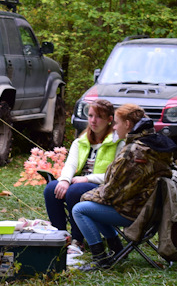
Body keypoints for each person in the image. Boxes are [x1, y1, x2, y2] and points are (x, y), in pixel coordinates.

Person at [71, 104, 176, 269]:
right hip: (151, 210)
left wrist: (88, 195)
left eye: (117, 123)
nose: (114, 127)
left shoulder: (133, 152)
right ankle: (117, 248)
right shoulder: (154, 145)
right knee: (94, 205)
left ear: (127, 124)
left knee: (80, 209)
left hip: (136, 213)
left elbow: (112, 193)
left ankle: (100, 259)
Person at [43, 99, 121, 245]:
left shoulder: (118, 142)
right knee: (51, 189)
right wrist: (65, 180)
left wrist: (87, 179)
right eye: (90, 116)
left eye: (98, 117)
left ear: (109, 120)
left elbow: (116, 175)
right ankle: (60, 237)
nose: (93, 120)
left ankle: (77, 240)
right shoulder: (81, 141)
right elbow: (70, 164)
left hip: (104, 187)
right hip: (77, 183)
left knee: (75, 191)